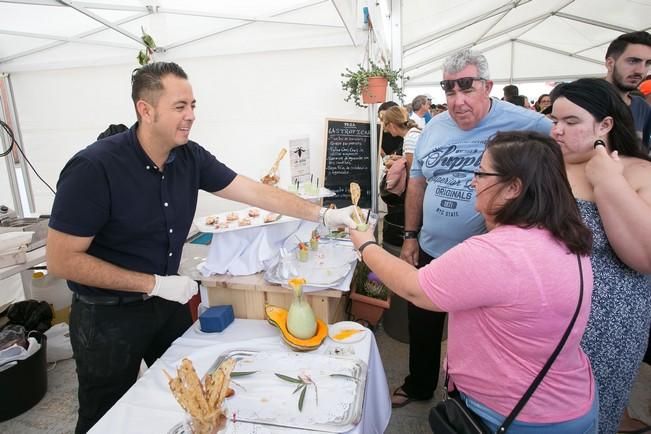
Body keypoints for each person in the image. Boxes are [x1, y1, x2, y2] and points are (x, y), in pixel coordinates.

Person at [46, 61, 357, 433]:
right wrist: (153, 284)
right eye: (180, 107)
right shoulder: (94, 167)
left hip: (166, 303)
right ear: (145, 110)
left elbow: (254, 191)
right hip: (106, 317)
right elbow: (62, 260)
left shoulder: (189, 157)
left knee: (190, 395)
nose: (191, 116)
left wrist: (322, 215)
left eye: (193, 105)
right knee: (107, 415)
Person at [351, 131, 597, 432]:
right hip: (570, 401)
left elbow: (413, 287)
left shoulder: (496, 253)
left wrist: (365, 245)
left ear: (513, 188)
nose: (472, 182)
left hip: (514, 415)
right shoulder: (566, 236)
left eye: (481, 173)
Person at [393, 48, 552, 408]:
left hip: (489, 257)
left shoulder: (526, 122)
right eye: (450, 91)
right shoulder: (434, 127)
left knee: (477, 336)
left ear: (488, 86)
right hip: (432, 248)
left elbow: (565, 150)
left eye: (467, 88)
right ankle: (419, 384)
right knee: (423, 322)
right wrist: (409, 236)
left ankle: (468, 398)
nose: (458, 101)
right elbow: (417, 182)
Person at [550, 77, 651, 434]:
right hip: (543, 318)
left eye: (571, 122)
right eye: (555, 120)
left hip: (608, 323)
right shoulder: (549, 167)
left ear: (605, 124)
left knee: (594, 411)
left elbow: (644, 256)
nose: (557, 130)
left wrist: (608, 181)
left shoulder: (640, 172)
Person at [604, 31, 651, 151]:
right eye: (633, 61)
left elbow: (643, 153)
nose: (640, 70)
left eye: (648, 63)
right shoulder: (582, 101)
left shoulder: (642, 107)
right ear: (610, 64)